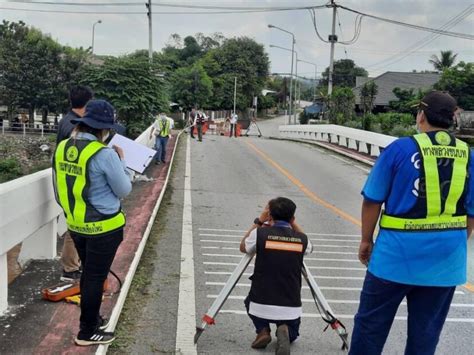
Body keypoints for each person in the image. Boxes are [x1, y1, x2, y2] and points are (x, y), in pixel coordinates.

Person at [349, 91, 474, 355]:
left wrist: (365, 240)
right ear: (453, 118)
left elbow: (372, 200)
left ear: (421, 116)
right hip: (445, 263)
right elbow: (471, 213)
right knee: (425, 334)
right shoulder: (468, 155)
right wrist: (455, 243)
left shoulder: (400, 149)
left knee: (370, 327)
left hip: (394, 258)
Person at [52, 99, 132, 346]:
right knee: (94, 277)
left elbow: (57, 187)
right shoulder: (104, 153)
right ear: (103, 129)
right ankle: (87, 331)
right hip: (103, 228)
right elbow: (124, 189)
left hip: (76, 225)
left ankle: (93, 319)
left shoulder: (63, 147)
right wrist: (121, 162)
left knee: (89, 273)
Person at [240, 197, 312, 355]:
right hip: (290, 305)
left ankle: (263, 330)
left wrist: (259, 221)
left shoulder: (260, 234)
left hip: (260, 302)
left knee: (248, 301)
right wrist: (292, 224)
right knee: (292, 333)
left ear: (270, 215)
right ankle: (285, 329)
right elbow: (309, 247)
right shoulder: (302, 240)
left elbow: (243, 247)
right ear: (292, 219)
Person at [56, 85, 93, 281]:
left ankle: (73, 265)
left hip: (66, 181)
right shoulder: (74, 126)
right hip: (73, 183)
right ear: (86, 104)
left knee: (75, 225)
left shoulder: (65, 120)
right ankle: (70, 268)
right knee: (75, 227)